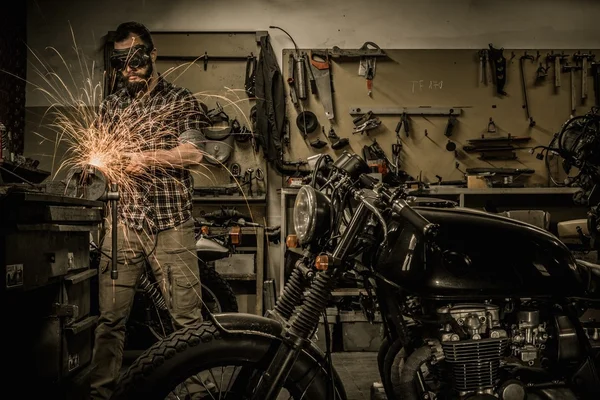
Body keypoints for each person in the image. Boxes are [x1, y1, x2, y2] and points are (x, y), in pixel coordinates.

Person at [89, 21, 209, 400]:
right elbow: (99, 156)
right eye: (122, 62)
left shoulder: (180, 100)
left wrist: (148, 158)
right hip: (123, 224)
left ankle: (198, 393)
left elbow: (192, 153)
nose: (130, 69)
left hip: (171, 223)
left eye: (137, 59)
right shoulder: (111, 105)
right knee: (110, 321)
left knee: (187, 320)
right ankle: (101, 393)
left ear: (152, 55)